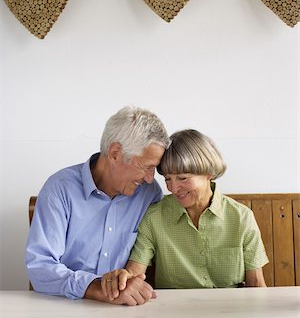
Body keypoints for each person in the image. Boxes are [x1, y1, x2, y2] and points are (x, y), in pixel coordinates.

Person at [101, 129, 269, 303]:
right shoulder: (154, 217)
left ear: (209, 173)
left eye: (182, 178)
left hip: (230, 313)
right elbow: (135, 272)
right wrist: (124, 278)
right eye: (167, 179)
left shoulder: (241, 217)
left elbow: (256, 284)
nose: (173, 188)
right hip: (172, 314)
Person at [25, 106, 170, 305]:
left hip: (126, 314)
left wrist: (126, 283)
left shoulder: (149, 194)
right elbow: (40, 268)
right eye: (147, 167)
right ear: (115, 154)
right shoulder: (60, 190)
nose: (149, 178)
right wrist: (96, 287)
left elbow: (146, 256)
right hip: (64, 309)